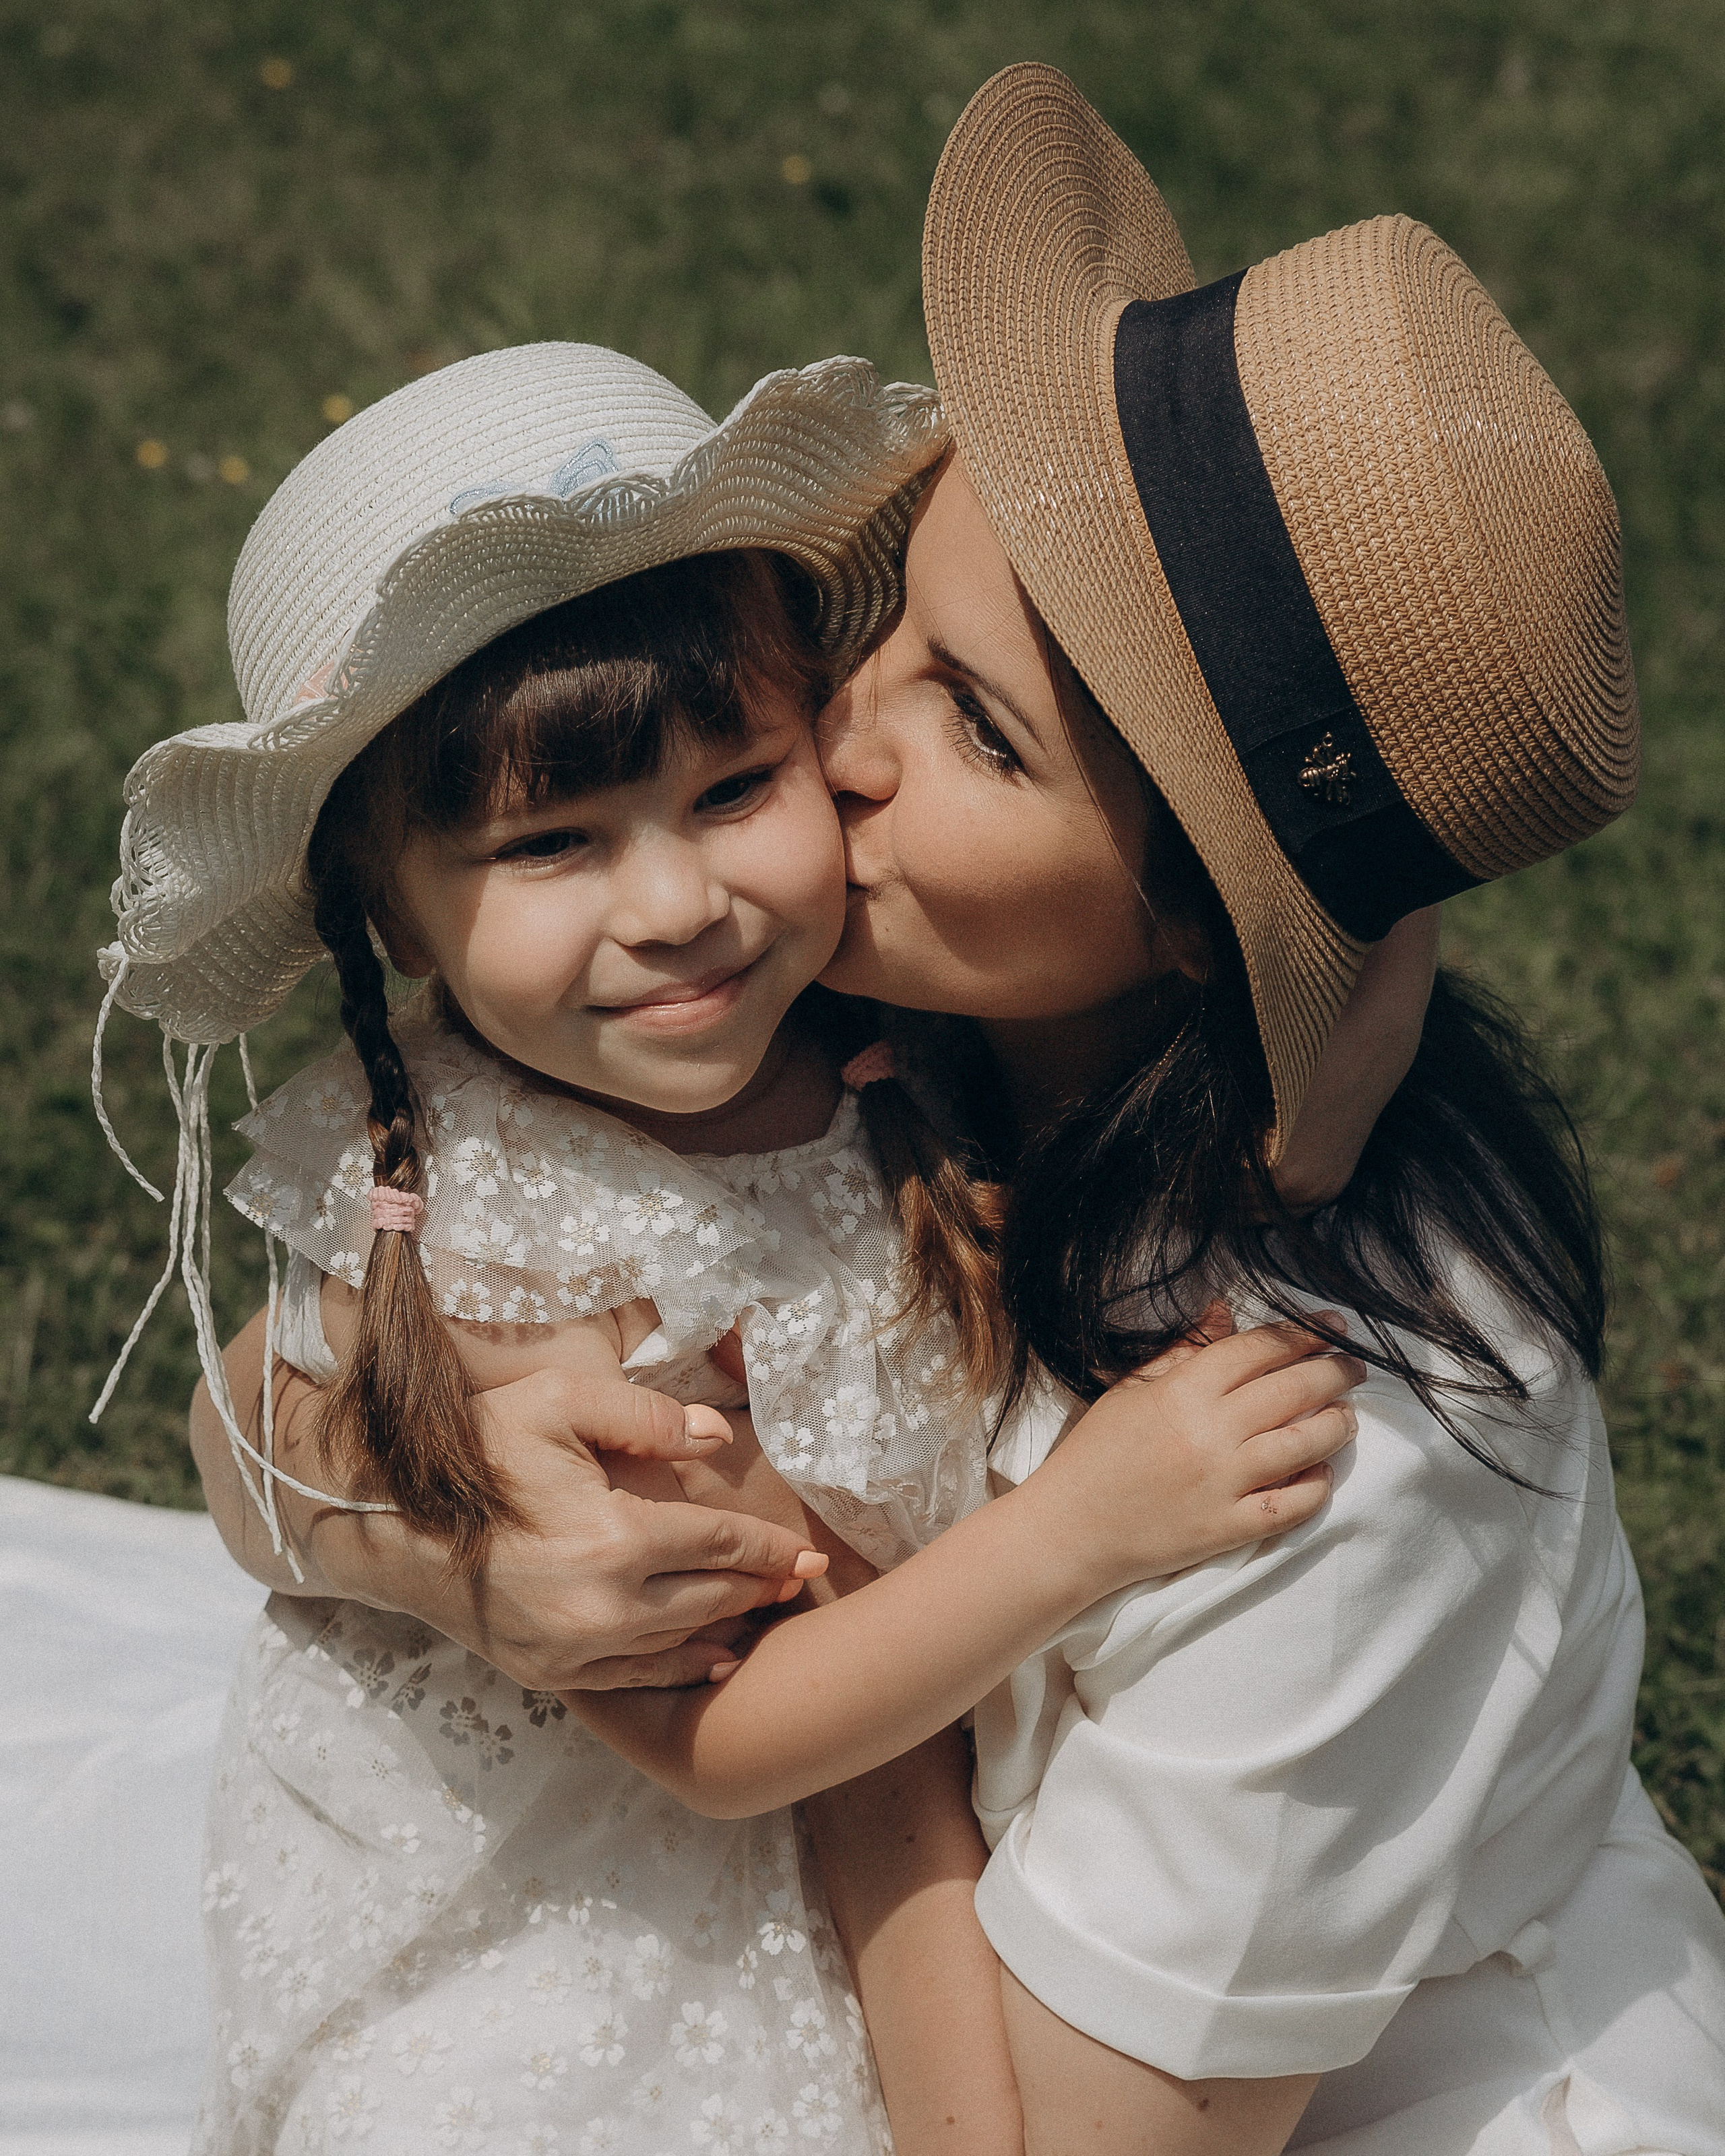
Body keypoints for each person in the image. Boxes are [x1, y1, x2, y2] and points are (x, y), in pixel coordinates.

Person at [185, 64, 1725, 2153]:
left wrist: (841, 1690)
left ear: (1197, 922)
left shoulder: (1338, 1479)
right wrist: (448, 1550)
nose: (828, 750)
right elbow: (266, 1402)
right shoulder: (832, 996)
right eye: (888, 617)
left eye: (980, 729)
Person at [100, 339, 1360, 2154]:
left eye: (730, 789)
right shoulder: (532, 1247)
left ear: (822, 728)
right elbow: (747, 1740)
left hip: (874, 1820)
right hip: (536, 1904)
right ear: (391, 910)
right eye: (552, 843)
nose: (679, 906)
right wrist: (1087, 1528)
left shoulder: (893, 1050)